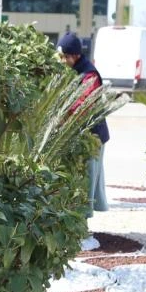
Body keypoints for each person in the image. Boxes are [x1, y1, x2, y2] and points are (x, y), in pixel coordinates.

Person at [57, 31, 110, 213]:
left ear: (75, 55)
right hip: (81, 133)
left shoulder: (89, 75)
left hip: (93, 136)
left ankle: (85, 221)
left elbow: (83, 104)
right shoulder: (75, 70)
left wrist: (62, 116)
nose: (63, 61)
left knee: (88, 178)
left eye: (65, 57)